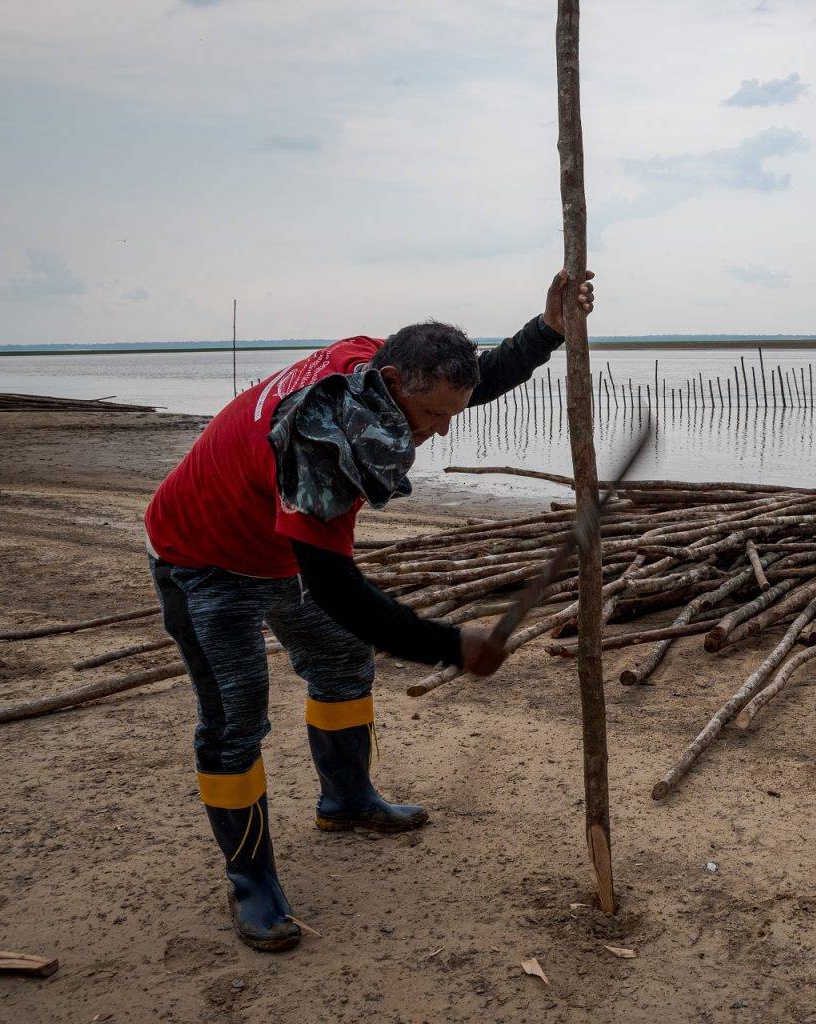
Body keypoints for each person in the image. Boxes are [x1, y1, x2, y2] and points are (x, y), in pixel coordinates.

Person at [144, 270, 594, 951]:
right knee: (235, 718)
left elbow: (471, 382)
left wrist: (546, 331)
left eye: (449, 414)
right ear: (390, 383)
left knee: (342, 664)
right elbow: (339, 592)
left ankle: (346, 801)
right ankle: (251, 882)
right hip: (202, 555)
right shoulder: (319, 447)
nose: (441, 431)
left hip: (278, 548)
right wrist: (452, 645)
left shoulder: (377, 364)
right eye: (431, 417)